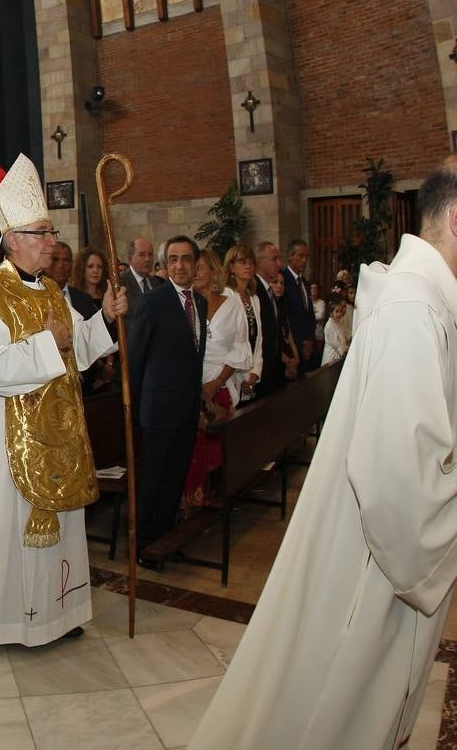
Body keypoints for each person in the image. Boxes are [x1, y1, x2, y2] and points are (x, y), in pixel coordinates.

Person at [190, 159, 457, 748]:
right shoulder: (415, 309)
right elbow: (396, 486)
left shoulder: (422, 302)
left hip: (377, 560)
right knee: (334, 712)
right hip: (379, 569)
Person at [0, 157, 125, 648]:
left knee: (60, 529)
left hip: (59, 429)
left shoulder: (51, 291)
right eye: (42, 232)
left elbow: (76, 347)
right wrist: (50, 344)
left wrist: (103, 319)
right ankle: (7, 622)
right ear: (15, 238)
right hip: (9, 434)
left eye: (51, 231)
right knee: (8, 528)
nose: (52, 241)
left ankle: (57, 616)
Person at [127, 235, 206, 561]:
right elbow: (135, 358)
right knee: (155, 479)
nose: (179, 265)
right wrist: (137, 408)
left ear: (196, 264)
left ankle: (166, 540)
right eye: (173, 259)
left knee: (176, 477)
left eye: (186, 259)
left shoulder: (199, 303)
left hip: (186, 408)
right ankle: (144, 546)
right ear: (165, 264)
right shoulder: (153, 301)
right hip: (158, 410)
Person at [185, 249, 252, 511]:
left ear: (214, 271)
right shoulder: (186, 304)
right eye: (194, 267)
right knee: (191, 451)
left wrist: (214, 385)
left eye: (201, 267)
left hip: (220, 383)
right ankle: (190, 504)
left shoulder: (231, 303)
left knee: (214, 448)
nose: (196, 272)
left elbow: (240, 348)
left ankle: (212, 501)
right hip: (190, 386)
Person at [68, 246, 117, 394]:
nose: (95, 271)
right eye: (90, 266)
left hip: (111, 361)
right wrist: (101, 365)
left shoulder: (107, 296)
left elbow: (114, 330)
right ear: (82, 268)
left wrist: (109, 364)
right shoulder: (73, 297)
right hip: (87, 365)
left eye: (99, 266)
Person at [222, 243, 263, 403]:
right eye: (242, 262)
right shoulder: (226, 295)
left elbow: (258, 340)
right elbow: (228, 341)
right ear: (231, 267)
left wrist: (254, 373)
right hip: (231, 374)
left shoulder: (254, 298)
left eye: (251, 262)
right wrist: (243, 374)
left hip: (250, 373)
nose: (248, 266)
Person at [252, 241, 286, 397]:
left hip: (274, 366)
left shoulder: (269, 290)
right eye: (275, 259)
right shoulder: (253, 289)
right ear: (260, 261)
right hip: (260, 368)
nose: (280, 263)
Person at [281, 239, 315, 366]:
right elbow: (286, 317)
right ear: (290, 256)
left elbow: (309, 314)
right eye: (300, 256)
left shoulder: (305, 283)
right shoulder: (282, 280)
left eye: (307, 256)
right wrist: (300, 343)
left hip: (308, 347)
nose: (304, 260)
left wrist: (310, 340)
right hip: (291, 348)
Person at [120, 237, 162, 306]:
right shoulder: (120, 283)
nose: (147, 259)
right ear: (130, 259)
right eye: (142, 255)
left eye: (150, 254)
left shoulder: (157, 283)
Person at [321, 298, 350, 365]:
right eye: (336, 311)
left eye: (340, 311)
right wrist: (344, 351)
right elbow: (336, 344)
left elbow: (342, 338)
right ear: (331, 313)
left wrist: (347, 347)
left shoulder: (338, 323)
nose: (339, 313)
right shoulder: (329, 326)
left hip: (339, 354)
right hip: (332, 356)